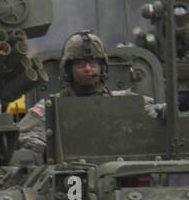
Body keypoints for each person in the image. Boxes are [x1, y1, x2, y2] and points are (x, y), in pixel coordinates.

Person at [17, 31, 157, 151]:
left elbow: (154, 114)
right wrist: (42, 148)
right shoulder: (51, 106)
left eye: (93, 63)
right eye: (80, 64)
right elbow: (25, 135)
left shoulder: (124, 102)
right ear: (68, 70)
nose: (88, 69)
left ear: (102, 68)